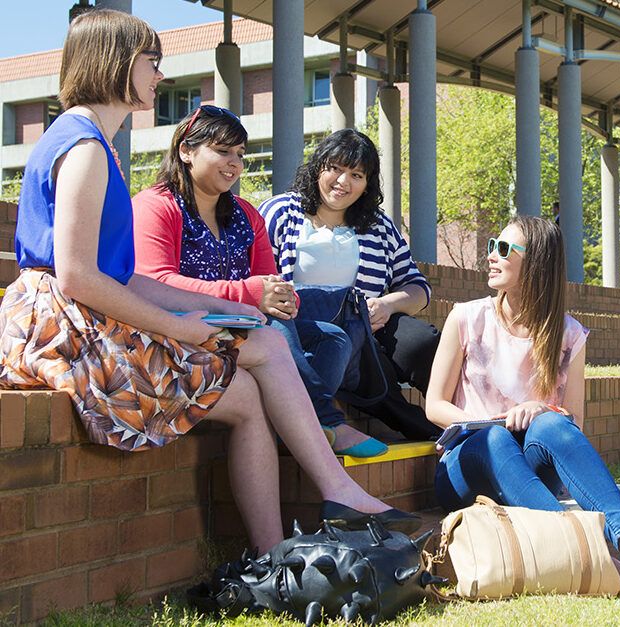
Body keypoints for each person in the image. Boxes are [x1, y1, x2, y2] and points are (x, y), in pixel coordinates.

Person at [0, 9, 408, 553]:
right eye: (152, 62)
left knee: (247, 385)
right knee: (259, 345)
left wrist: (209, 309)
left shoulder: (88, 140)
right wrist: (179, 326)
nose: (158, 77)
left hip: (83, 315)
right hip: (66, 332)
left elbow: (122, 277)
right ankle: (332, 492)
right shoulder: (84, 148)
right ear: (117, 61)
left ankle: (272, 554)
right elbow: (75, 275)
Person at [426, 215, 620, 601]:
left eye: (502, 249)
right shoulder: (466, 317)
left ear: (535, 264)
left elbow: (573, 424)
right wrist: (488, 422)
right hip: (466, 464)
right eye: (492, 245)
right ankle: (595, 555)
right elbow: (434, 405)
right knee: (496, 437)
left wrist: (540, 409)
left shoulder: (568, 334)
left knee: (553, 426)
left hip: (525, 472)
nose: (490, 256)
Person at [131, 106, 385, 457]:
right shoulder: (156, 205)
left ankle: (295, 427)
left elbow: (269, 280)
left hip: (237, 325)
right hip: (180, 327)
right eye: (223, 151)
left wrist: (283, 298)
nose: (234, 163)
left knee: (333, 338)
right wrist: (249, 295)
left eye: (240, 154)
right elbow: (155, 283)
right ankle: (323, 420)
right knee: (273, 331)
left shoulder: (246, 214)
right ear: (186, 151)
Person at [260, 130, 441, 442]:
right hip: (304, 326)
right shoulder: (281, 212)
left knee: (423, 341)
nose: (344, 182)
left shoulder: (379, 225)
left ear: (367, 183)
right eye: (336, 169)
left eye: (356, 175)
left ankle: (466, 413)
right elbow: (257, 276)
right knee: (373, 375)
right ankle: (434, 434)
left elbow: (418, 288)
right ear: (318, 167)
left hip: (370, 325)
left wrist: (388, 304)